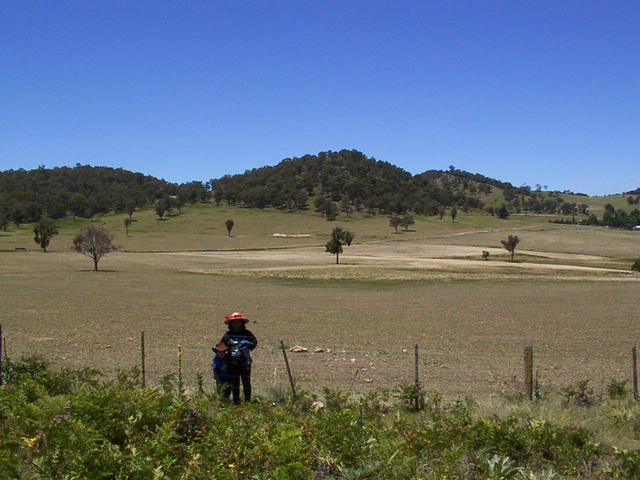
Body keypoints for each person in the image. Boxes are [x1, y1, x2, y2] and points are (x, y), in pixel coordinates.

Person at [220, 312, 257, 404]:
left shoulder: (247, 333)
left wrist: (246, 345)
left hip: (245, 363)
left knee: (246, 382)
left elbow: (254, 343)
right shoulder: (228, 335)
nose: (236, 324)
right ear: (231, 324)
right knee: (235, 383)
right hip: (232, 363)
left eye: (238, 322)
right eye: (234, 322)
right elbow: (221, 346)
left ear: (242, 323)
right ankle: (236, 403)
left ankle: (247, 402)